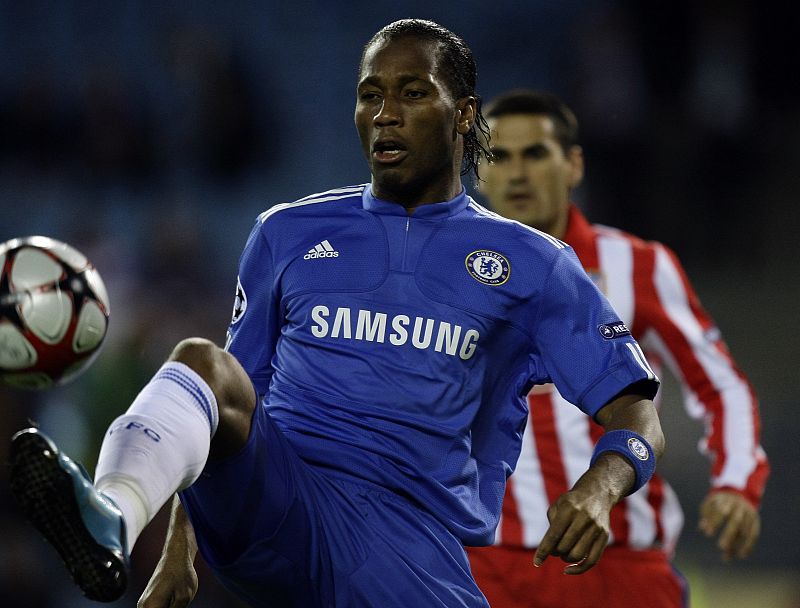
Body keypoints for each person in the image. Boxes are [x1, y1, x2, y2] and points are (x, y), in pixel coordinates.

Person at [9, 22, 664, 608]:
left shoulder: (532, 265)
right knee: (203, 364)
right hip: (280, 502)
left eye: (412, 93)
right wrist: (183, 541)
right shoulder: (285, 233)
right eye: (370, 94)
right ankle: (112, 517)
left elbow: (636, 412)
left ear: (463, 114)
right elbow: (226, 409)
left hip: (408, 540)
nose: (385, 114)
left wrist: (599, 490)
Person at [466, 89, 769, 608]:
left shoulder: (637, 264)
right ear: (478, 173)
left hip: (620, 565)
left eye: (535, 153)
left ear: (574, 164)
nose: (517, 173)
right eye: (498, 156)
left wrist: (736, 481)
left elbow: (720, 385)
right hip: (488, 567)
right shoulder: (450, 275)